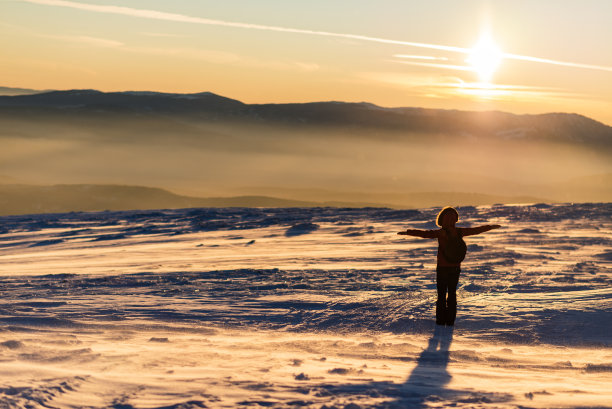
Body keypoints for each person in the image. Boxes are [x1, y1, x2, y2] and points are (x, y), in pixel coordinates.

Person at [397, 206, 501, 326]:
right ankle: (450, 321)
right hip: (455, 267)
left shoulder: (440, 233)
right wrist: (490, 227)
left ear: (441, 220)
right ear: (455, 220)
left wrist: (407, 232)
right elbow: (475, 230)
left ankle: (441, 321)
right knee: (452, 293)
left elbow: (424, 234)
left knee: (441, 294)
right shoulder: (459, 232)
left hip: (442, 267)